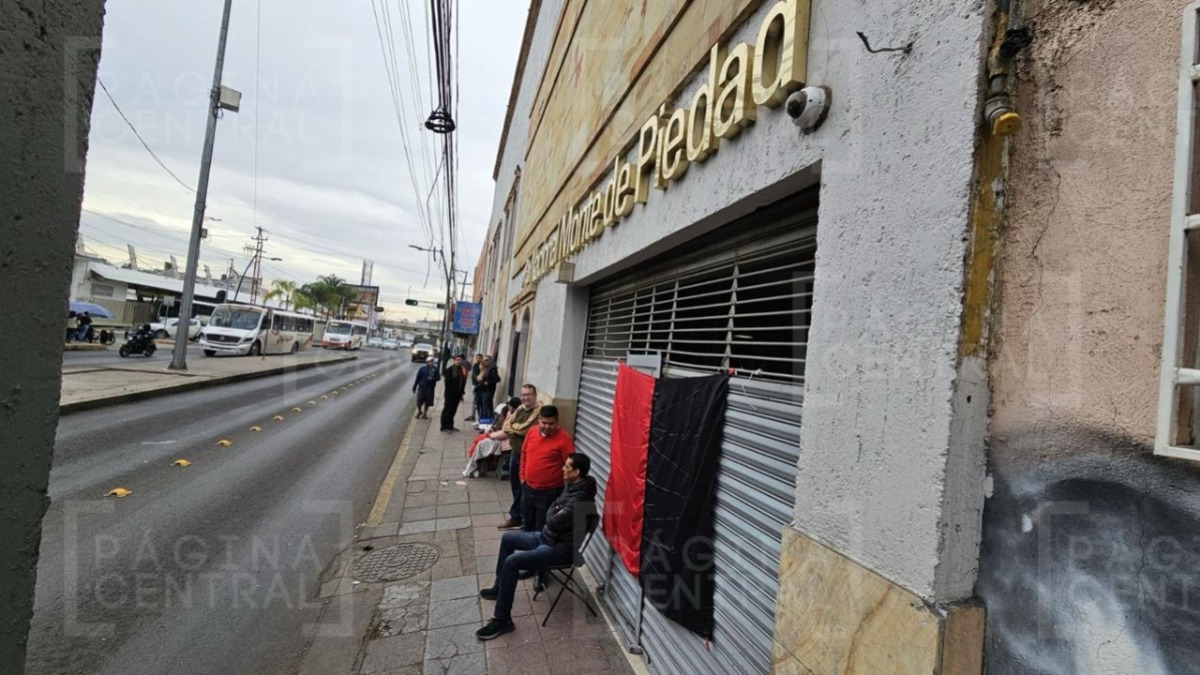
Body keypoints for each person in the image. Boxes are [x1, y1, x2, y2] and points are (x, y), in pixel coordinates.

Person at [476, 453, 596, 641]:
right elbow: (552, 510)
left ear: (577, 472)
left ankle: (502, 619)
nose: (562, 469)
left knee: (512, 561)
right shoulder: (572, 487)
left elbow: (553, 520)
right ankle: (500, 587)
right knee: (508, 539)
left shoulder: (580, 499)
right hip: (547, 538)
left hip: (559, 550)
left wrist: (554, 512)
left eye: (566, 466)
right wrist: (554, 511)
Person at [519, 405, 574, 535]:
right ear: (539, 420)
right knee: (527, 523)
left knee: (541, 527)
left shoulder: (564, 439)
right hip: (528, 488)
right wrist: (522, 478)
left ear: (557, 422)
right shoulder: (532, 432)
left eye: (551, 424)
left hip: (549, 492)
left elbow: (570, 466)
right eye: (544, 423)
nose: (547, 427)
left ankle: (537, 553)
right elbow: (524, 454)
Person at [498, 384, 542, 530]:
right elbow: (505, 426)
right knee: (516, 486)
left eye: (529, 394)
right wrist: (514, 429)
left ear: (535, 396)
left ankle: (524, 520)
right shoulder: (521, 409)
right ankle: (516, 517)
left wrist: (514, 429)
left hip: (529, 455)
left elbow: (525, 430)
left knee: (525, 488)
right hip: (515, 452)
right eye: (523, 394)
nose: (526, 397)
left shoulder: (538, 411)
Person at [440, 354, 468, 433]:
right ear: (454, 361)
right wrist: (450, 393)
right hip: (450, 395)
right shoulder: (450, 370)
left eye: (460, 360)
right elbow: (447, 383)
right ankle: (444, 426)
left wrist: (461, 392)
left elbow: (463, 382)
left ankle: (450, 425)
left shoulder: (461, 370)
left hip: (457, 395)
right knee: (447, 410)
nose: (459, 361)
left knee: (453, 410)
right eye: (457, 360)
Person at [472, 355, 501, 422]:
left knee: (487, 407)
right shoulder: (484, 368)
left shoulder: (492, 369)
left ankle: (488, 421)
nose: (484, 362)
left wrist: (487, 382)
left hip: (488, 390)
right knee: (482, 406)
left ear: (490, 361)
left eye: (486, 360)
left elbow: (497, 379)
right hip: (482, 390)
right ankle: (482, 421)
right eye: (484, 360)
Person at [465, 354, 484, 421]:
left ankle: (476, 415)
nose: (478, 359)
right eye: (477, 358)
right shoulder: (476, 365)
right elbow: (474, 375)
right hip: (476, 385)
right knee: (475, 401)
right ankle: (473, 415)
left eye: (480, 358)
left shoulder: (483, 366)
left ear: (482, 358)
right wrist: (474, 384)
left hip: (480, 386)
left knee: (477, 401)